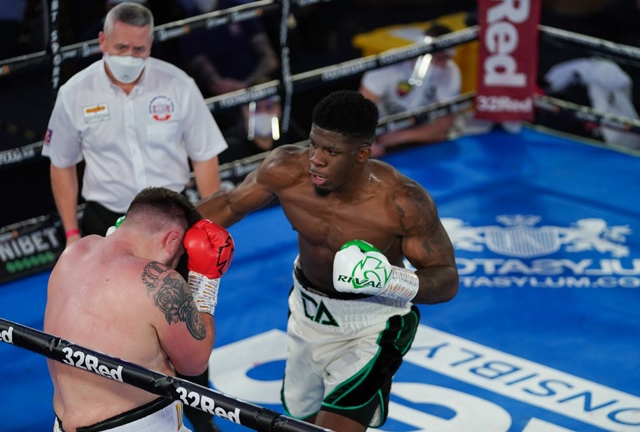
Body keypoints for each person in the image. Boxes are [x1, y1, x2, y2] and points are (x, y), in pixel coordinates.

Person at [196, 90, 459, 432]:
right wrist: (150, 225)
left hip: (373, 326)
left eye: (331, 151)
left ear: (362, 154)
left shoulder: (401, 201)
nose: (316, 159)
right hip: (306, 313)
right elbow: (230, 204)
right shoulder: (286, 169)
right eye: (314, 144)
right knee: (298, 422)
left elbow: (446, 278)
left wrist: (391, 280)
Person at [41, 3, 228, 430]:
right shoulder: (75, 92)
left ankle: (201, 417)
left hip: (171, 223)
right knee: (102, 327)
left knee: (184, 334)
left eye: (139, 49)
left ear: (151, 44)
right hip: (110, 219)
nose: (130, 56)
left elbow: (205, 156)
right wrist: (72, 232)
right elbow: (61, 163)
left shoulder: (177, 84)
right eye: (121, 46)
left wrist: (209, 224)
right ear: (102, 42)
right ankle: (114, 408)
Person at [44, 186, 235, 432]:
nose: (176, 265)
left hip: (63, 424)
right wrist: (205, 283)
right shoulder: (159, 281)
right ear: (172, 240)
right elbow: (195, 364)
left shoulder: (74, 252)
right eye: (179, 257)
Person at [177, 0, 283, 162]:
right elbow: (214, 81)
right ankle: (252, 157)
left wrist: (250, 85)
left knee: (266, 97)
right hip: (227, 96)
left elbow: (270, 59)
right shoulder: (189, 24)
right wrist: (242, 93)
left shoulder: (237, 8)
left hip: (258, 83)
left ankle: (273, 148)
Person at [359, 23, 462, 157]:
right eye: (434, 57)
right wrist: (367, 140)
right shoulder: (390, 63)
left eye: (443, 59)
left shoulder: (450, 73)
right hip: (379, 132)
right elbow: (361, 108)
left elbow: (442, 129)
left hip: (420, 138)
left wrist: (398, 137)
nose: (438, 64)